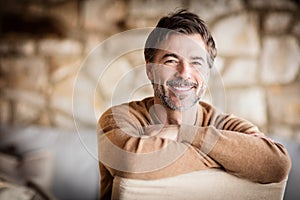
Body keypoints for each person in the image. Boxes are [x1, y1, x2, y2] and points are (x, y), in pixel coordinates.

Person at [97, 9, 291, 199]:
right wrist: (228, 156)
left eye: (196, 62)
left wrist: (182, 133)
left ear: (207, 73)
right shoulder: (119, 119)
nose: (184, 73)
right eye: (171, 60)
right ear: (150, 70)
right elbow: (132, 162)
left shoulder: (223, 123)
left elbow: (277, 164)